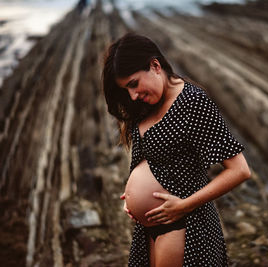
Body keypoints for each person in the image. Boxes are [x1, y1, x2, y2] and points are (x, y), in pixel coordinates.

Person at [102, 32, 251, 267]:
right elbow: (151, 160)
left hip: (186, 225)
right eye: (127, 89)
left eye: (134, 84)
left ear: (155, 65)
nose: (133, 94)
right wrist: (131, 198)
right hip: (147, 229)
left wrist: (184, 205)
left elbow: (240, 170)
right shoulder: (145, 104)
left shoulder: (193, 102)